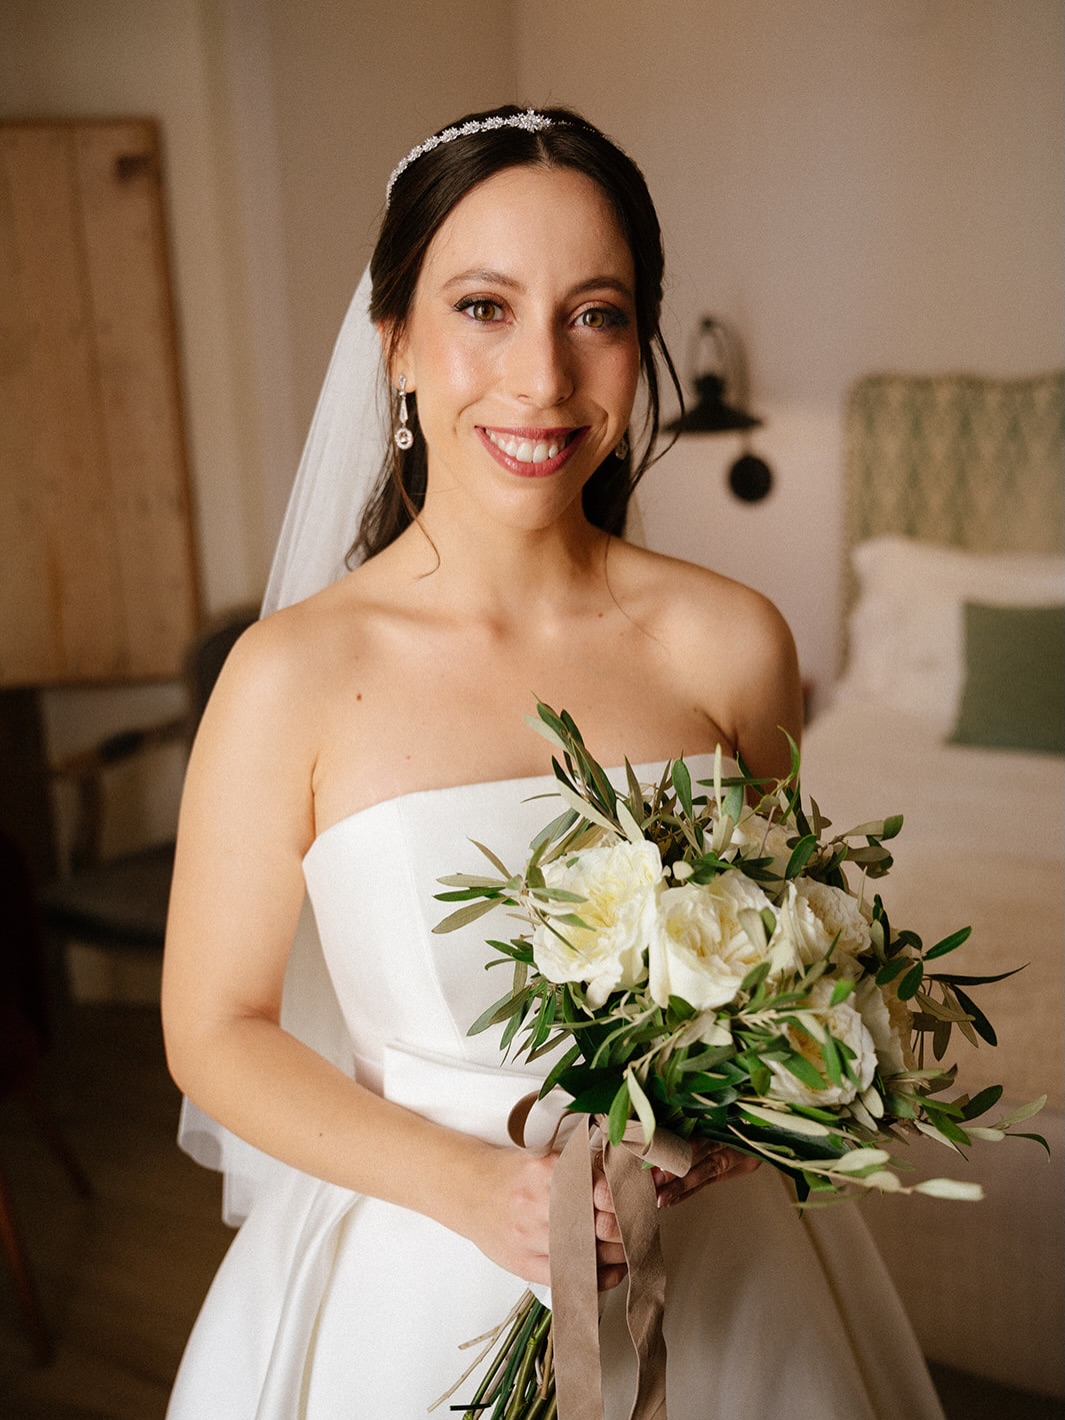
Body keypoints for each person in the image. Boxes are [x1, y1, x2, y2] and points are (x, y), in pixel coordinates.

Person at [162, 104, 945, 1418]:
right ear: (393, 340)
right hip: (418, 1274)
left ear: (639, 345)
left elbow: (786, 959)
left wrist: (765, 1107)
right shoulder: (287, 675)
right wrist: (479, 1193)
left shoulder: (733, 642)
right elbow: (213, 1031)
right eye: (483, 308)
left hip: (727, 1275)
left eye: (595, 315)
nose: (541, 378)